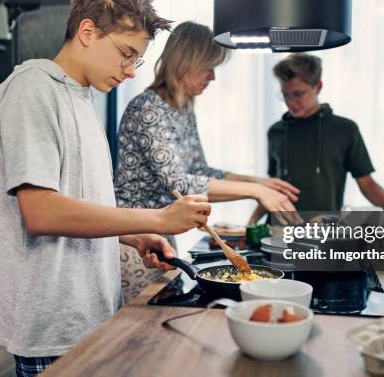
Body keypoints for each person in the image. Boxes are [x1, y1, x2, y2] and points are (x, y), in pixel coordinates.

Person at [0, 0, 212, 376]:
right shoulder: (32, 89)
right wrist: (159, 218)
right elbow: (42, 213)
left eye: (136, 60)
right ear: (88, 32)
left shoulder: (81, 98)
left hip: (89, 316)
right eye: (126, 53)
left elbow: (78, 201)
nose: (129, 70)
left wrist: (131, 235)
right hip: (53, 323)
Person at [115, 21, 300, 299]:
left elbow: (199, 171)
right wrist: (255, 191)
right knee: (140, 329)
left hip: (160, 237)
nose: (212, 77)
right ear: (185, 62)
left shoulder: (182, 107)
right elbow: (177, 182)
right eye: (208, 67)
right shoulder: (148, 108)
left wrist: (260, 182)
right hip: (133, 242)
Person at [249, 53, 384, 225]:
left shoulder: (345, 129)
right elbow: (273, 186)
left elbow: (367, 183)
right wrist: (251, 222)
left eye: (298, 94)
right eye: (285, 94)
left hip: (325, 230)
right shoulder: (276, 131)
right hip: (278, 230)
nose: (291, 102)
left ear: (318, 87)